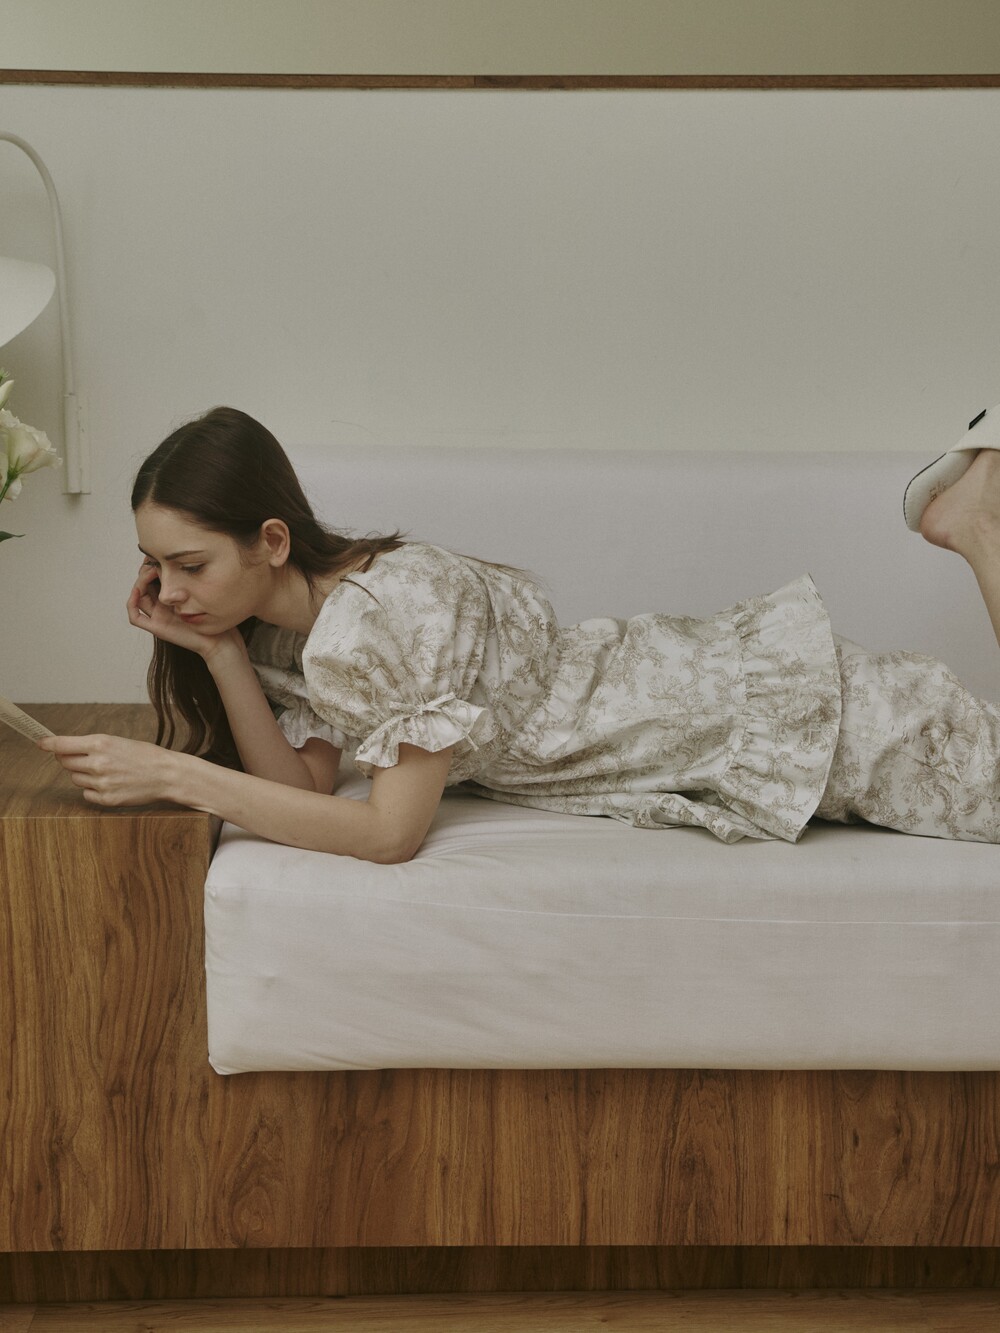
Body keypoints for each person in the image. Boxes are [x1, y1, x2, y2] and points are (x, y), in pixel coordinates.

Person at [39, 406, 1000, 859]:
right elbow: (299, 790)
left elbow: (389, 833)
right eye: (155, 564)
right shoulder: (296, 636)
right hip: (712, 712)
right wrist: (217, 652)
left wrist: (177, 775)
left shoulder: (377, 622)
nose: (168, 590)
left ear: (272, 540)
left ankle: (978, 521)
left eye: (191, 565)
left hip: (758, 713)